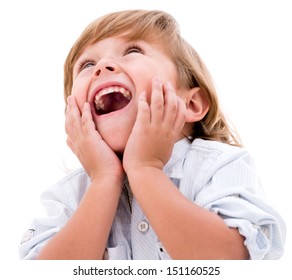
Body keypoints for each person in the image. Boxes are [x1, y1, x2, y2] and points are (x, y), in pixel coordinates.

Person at [19, 9, 285, 260]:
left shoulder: (219, 167)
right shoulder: (68, 194)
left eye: (133, 50)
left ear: (190, 104)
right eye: (87, 65)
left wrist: (145, 169)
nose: (103, 66)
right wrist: (103, 180)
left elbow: (229, 261)